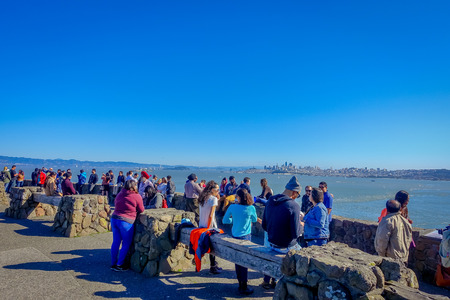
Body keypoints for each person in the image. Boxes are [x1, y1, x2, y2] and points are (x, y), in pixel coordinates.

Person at [261, 176, 302, 289]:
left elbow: (264, 225)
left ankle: (269, 280)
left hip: (271, 244)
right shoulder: (294, 206)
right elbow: (295, 234)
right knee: (305, 254)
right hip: (286, 247)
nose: (297, 198)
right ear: (294, 192)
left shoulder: (270, 201)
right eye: (298, 195)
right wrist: (301, 226)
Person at [223, 188, 258, 295]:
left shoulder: (233, 206)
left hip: (235, 236)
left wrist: (233, 219)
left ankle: (240, 283)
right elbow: (255, 220)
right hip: (246, 237)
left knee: (237, 260)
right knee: (244, 261)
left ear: (238, 197)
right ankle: (244, 286)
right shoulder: (251, 208)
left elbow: (225, 220)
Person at [111, 180, 144, 271]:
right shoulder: (136, 196)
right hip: (126, 221)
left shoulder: (120, 194)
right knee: (126, 243)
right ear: (134, 186)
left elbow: (115, 203)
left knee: (116, 242)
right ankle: (119, 265)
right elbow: (141, 209)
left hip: (114, 218)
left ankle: (113, 263)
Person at [198, 180, 221, 274]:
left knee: (209, 246)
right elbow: (211, 215)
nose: (218, 191)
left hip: (201, 225)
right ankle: (213, 267)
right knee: (213, 248)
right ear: (212, 190)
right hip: (210, 226)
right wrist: (209, 227)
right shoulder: (213, 199)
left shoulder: (202, 198)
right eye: (217, 189)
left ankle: (214, 265)